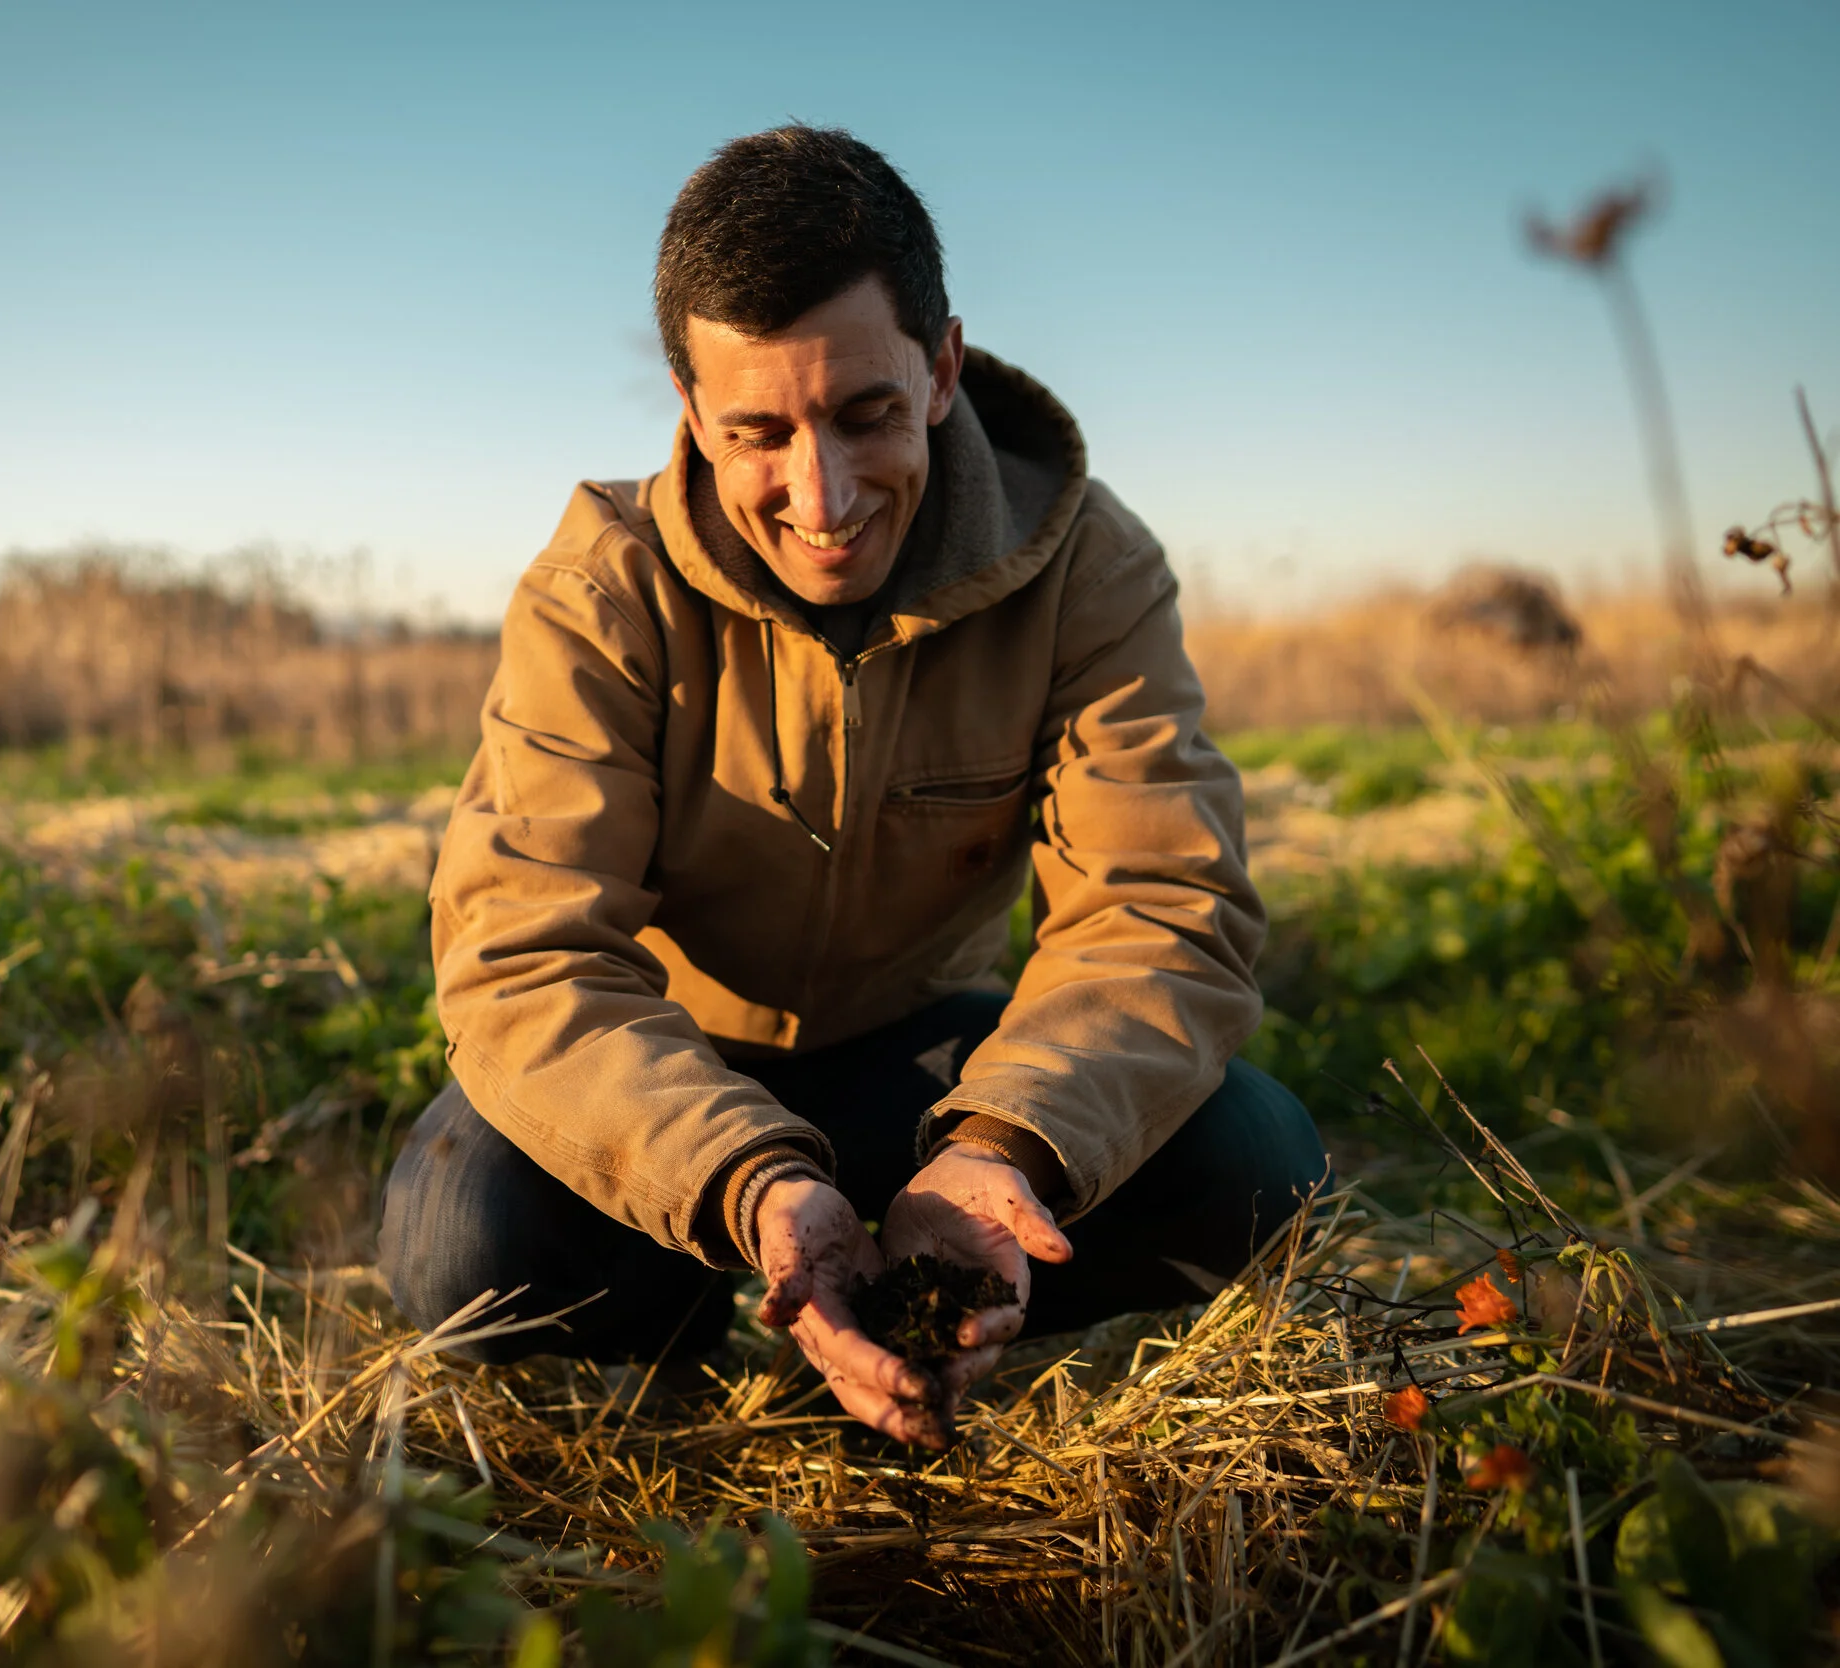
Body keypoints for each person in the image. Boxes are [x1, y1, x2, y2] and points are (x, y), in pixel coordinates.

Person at [380, 125, 1326, 1449]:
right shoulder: (600, 590)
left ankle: (947, 1293)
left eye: (867, 414)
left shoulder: (1090, 568)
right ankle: (710, 1309)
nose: (821, 496)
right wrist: (748, 1185)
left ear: (942, 369)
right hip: (671, 1061)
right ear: (690, 407)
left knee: (1259, 1166)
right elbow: (523, 960)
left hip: (930, 1064)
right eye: (759, 432)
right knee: (455, 1239)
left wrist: (1007, 1145)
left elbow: (1161, 907)